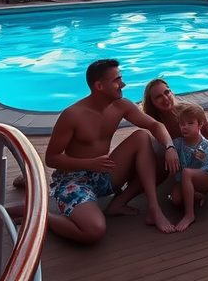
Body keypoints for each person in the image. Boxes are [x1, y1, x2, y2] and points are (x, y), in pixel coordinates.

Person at [43, 59, 178, 242]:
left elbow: (155, 125)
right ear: (99, 86)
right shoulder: (72, 115)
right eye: (117, 80)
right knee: (94, 231)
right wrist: (89, 163)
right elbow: (51, 158)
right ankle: (42, 217)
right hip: (74, 180)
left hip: (104, 172)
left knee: (142, 138)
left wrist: (170, 147)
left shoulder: (121, 106)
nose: (123, 84)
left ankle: (152, 209)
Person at [168, 102, 208, 232]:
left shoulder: (204, 144)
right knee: (175, 199)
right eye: (182, 124)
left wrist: (196, 153)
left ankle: (189, 215)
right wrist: (169, 149)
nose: (185, 127)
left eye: (190, 123)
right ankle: (197, 195)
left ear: (199, 125)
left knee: (187, 172)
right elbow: (168, 147)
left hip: (205, 177)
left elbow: (202, 159)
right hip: (186, 179)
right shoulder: (178, 143)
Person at [141, 78, 208, 142]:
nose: (165, 98)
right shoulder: (152, 123)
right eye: (159, 97)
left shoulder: (191, 111)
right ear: (151, 102)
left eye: (167, 92)